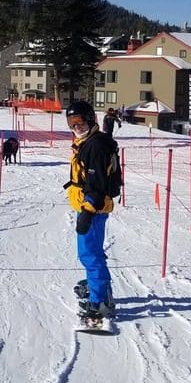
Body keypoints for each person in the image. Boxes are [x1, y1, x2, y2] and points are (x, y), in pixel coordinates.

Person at [64, 101, 116, 321]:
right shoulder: (90, 141)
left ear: (91, 119)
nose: (77, 126)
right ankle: (99, 287)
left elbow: (96, 183)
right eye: (71, 122)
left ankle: (99, 302)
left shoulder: (94, 146)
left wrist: (87, 211)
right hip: (91, 205)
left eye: (80, 121)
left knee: (89, 254)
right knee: (92, 252)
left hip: (92, 207)